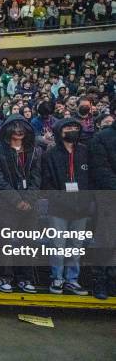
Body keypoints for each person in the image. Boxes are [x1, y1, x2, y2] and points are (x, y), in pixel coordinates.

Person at [0, 114, 41, 293]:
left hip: (29, 204)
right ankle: (4, 276)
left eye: (22, 127)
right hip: (6, 204)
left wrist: (29, 199)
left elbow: (37, 178)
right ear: (7, 129)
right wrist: (17, 200)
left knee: (28, 242)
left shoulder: (34, 150)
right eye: (15, 127)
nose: (18, 131)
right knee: (6, 241)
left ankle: (25, 278)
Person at [41, 118, 91, 296]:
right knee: (58, 245)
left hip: (82, 207)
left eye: (74, 127)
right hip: (59, 208)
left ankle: (72, 280)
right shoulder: (50, 154)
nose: (71, 130)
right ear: (59, 131)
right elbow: (46, 182)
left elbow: (91, 179)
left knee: (75, 246)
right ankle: (57, 278)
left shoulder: (85, 151)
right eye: (67, 127)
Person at [89, 118, 116, 300]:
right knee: (106, 240)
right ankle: (101, 280)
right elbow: (101, 170)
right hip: (108, 197)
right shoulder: (102, 138)